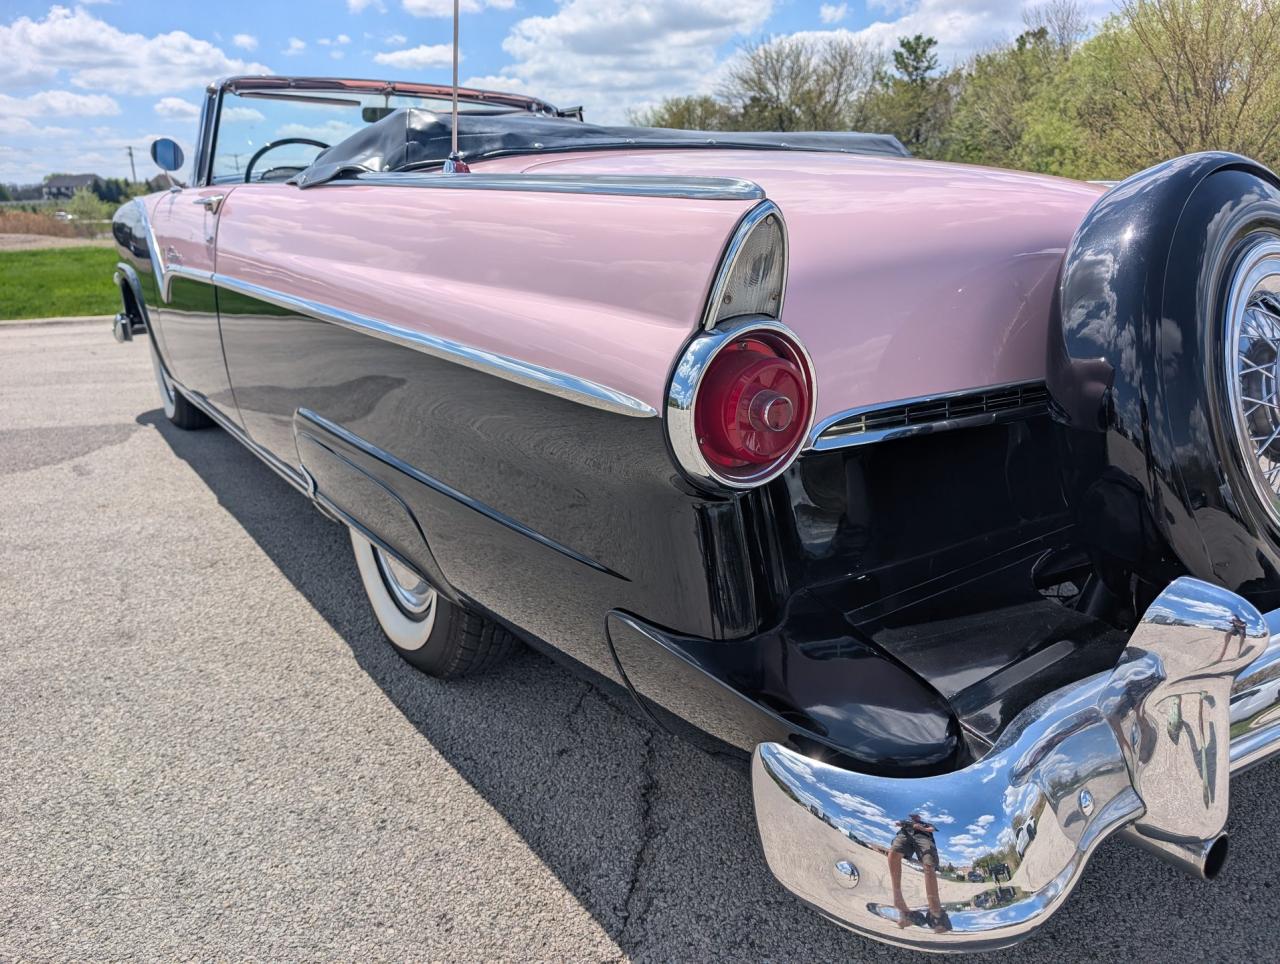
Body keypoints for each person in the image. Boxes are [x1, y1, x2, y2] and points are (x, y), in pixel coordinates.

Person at [887, 813, 950, 932]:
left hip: (923, 837)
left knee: (928, 864)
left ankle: (935, 912)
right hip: (905, 833)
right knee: (893, 854)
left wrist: (922, 828)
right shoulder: (907, 821)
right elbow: (897, 824)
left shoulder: (925, 823)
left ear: (919, 817)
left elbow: (933, 829)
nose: (914, 818)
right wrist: (902, 824)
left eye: (916, 816)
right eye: (912, 817)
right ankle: (899, 904)